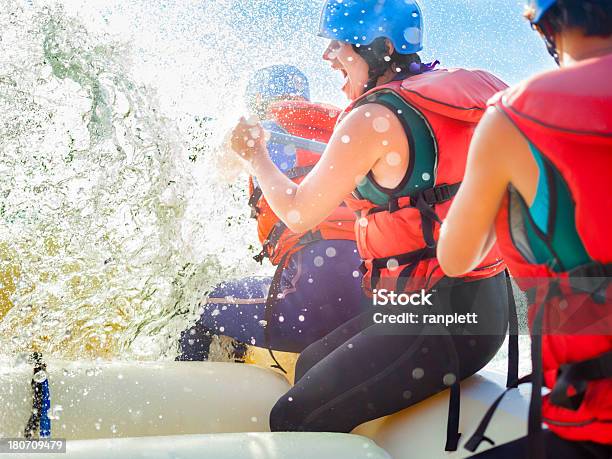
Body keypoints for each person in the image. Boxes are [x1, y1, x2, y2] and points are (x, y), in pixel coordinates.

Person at [230, 0, 512, 451]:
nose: (328, 57)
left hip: (438, 320)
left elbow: (300, 212)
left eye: (338, 45)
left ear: (380, 48)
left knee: (291, 417)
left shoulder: (371, 118)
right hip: (479, 308)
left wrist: (256, 156)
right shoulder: (472, 92)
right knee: (311, 364)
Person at [437, 1, 612, 457]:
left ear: (545, 25)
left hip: (597, 424)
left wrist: (501, 193)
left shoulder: (512, 118)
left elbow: (456, 258)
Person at [178, 65, 366, 363]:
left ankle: (196, 396)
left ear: (257, 100)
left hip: (317, 292)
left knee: (194, 303)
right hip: (376, 291)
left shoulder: (268, 130)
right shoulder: (345, 133)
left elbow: (216, 170)